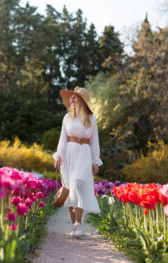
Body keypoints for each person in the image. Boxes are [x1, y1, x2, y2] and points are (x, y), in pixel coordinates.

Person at [53, 86, 102, 238]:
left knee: (79, 184)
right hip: (68, 154)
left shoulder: (91, 118)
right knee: (69, 189)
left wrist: (95, 161)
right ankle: (74, 225)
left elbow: (94, 142)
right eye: (71, 97)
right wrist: (59, 156)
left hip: (84, 154)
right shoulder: (67, 118)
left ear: (83, 100)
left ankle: (78, 224)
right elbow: (62, 139)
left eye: (75, 97)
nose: (72, 99)